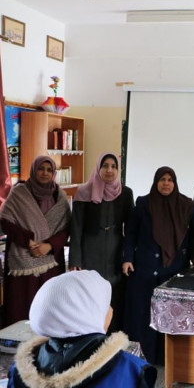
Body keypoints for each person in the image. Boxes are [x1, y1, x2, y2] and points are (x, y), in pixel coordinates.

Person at [122, 166, 194, 365]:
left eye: (170, 180)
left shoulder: (184, 204)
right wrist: (127, 258)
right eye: (162, 179)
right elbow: (130, 233)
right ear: (156, 182)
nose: (166, 183)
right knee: (144, 314)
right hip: (145, 270)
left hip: (172, 270)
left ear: (174, 183)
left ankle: (165, 359)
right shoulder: (143, 203)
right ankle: (143, 358)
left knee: (169, 315)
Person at [8, 270, 157, 387]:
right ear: (87, 314)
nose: (111, 309)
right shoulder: (131, 369)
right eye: (105, 304)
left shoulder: (20, 371)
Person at [0, 155, 70, 327]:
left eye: (49, 170)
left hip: (51, 263)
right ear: (33, 170)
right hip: (23, 263)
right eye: (40, 169)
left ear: (54, 173)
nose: (44, 173)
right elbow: (5, 222)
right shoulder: (19, 193)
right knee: (21, 310)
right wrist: (28, 241)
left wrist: (50, 245)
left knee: (48, 310)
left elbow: (67, 228)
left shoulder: (60, 197)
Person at [70, 153, 134, 333]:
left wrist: (128, 257)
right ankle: (91, 337)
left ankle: (113, 337)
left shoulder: (125, 193)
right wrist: (75, 260)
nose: (109, 170)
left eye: (113, 166)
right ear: (98, 168)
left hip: (115, 250)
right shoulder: (84, 192)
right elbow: (76, 228)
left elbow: (130, 229)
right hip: (90, 250)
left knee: (114, 294)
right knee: (91, 294)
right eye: (105, 165)